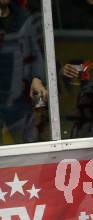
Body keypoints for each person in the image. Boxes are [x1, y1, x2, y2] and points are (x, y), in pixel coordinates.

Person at [0, 0, 47, 145]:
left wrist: (36, 78)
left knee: (29, 146)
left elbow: (35, 52)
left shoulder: (24, 17)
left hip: (20, 98)